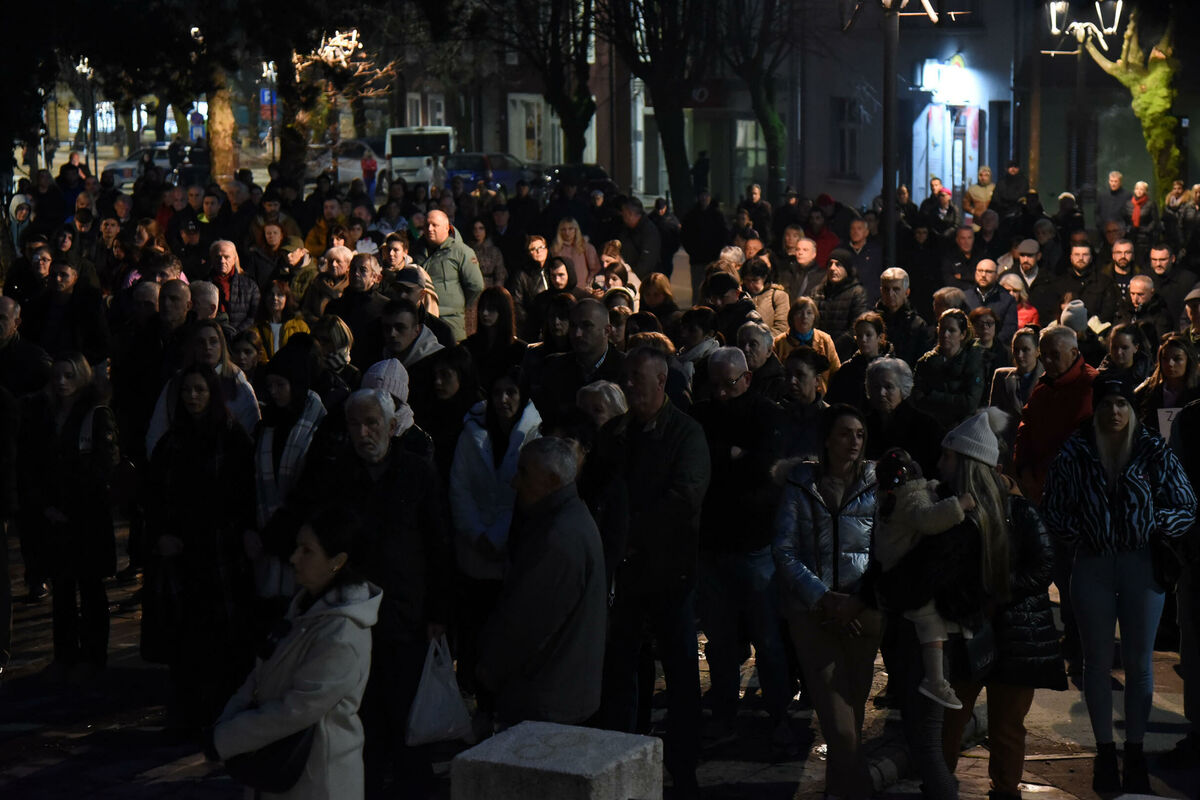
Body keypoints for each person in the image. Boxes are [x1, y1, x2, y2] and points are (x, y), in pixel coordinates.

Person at [1042, 373, 1197, 794]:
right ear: (1098, 407)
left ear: (1131, 409)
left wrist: (1154, 525)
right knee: (1095, 662)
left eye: (1122, 404)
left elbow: (1185, 502)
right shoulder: (1077, 450)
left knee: (1139, 663)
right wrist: (1080, 532)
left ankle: (1134, 751)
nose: (1115, 411)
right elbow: (1052, 507)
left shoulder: (1150, 448)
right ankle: (1105, 751)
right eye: (1108, 403)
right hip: (1092, 563)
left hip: (1140, 563)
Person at [294, 388, 450, 796]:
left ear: (390, 425)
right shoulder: (337, 475)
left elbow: (438, 543)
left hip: (405, 614)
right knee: (362, 717)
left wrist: (438, 612)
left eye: (372, 423)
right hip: (353, 615)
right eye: (355, 424)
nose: (364, 432)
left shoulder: (417, 472)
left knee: (406, 718)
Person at [599, 346, 710, 797]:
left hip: (669, 575)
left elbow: (684, 500)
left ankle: (683, 770)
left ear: (661, 381)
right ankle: (625, 759)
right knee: (623, 673)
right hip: (626, 578)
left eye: (635, 378)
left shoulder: (686, 434)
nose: (627, 386)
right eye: (625, 377)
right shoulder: (617, 433)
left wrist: (630, 531)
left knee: (680, 675)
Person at [211, 509, 381, 799]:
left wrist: (226, 737)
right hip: (281, 772)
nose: (293, 559)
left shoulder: (342, 632)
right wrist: (225, 724)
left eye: (307, 551)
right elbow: (260, 675)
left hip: (317, 781)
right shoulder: (304, 609)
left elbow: (297, 709)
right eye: (296, 547)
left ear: (337, 562)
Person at [773, 404, 882, 800]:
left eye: (859, 435)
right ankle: (863, 791)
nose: (853, 442)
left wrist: (857, 601)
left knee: (852, 715)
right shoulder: (802, 481)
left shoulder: (876, 481)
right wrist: (822, 598)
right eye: (844, 434)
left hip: (864, 614)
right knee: (839, 727)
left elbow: (886, 550)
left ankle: (838, 792)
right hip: (812, 614)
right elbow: (784, 549)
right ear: (826, 439)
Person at [143, 363, 256, 737]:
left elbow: (242, 496)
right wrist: (160, 535)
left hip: (220, 552)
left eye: (199, 390)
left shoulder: (230, 437)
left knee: (223, 639)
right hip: (182, 556)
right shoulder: (172, 442)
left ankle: (223, 714)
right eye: (188, 390)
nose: (192, 397)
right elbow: (154, 498)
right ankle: (188, 714)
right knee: (186, 640)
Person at [689, 347, 792, 741]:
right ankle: (724, 709)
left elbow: (765, 467)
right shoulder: (702, 414)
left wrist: (735, 461)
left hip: (752, 543)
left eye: (728, 385)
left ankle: (778, 711)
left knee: (767, 635)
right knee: (720, 638)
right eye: (714, 385)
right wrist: (731, 455)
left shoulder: (766, 413)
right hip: (713, 543)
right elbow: (702, 460)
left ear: (746, 378)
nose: (720, 393)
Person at [476, 437, 607, 726]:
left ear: (551, 480)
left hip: (547, 700)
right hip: (559, 693)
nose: (514, 482)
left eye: (523, 472)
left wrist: (489, 670)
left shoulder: (558, 537)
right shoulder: (567, 520)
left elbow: (526, 623)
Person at [448, 367, 541, 732]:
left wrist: (499, 537)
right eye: (499, 392)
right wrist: (476, 533)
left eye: (511, 393)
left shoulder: (533, 433)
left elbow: (524, 493)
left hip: (510, 553)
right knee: (476, 634)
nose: (504, 401)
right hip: (475, 552)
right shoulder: (472, 432)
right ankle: (483, 706)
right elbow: (460, 487)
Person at [18, 353, 118, 680]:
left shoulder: (95, 414)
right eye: (57, 376)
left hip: (86, 515)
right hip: (56, 514)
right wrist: (45, 505)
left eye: (68, 376)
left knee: (89, 587)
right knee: (63, 588)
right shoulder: (44, 415)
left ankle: (92, 655)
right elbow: (33, 463)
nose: (61, 382)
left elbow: (103, 466)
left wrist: (70, 504)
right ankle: (65, 654)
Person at [873, 447, 976, 708]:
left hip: (893, 571)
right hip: (906, 576)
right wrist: (959, 504)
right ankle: (935, 680)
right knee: (930, 624)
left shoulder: (891, 499)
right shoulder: (910, 500)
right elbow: (929, 519)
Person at [415, 210, 484, 342]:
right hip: (422, 322)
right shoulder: (417, 250)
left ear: (447, 227)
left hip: (451, 321)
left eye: (435, 225)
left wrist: (458, 305)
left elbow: (476, 285)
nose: (429, 229)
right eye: (426, 225)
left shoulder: (461, 251)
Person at [913, 309, 985, 431]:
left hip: (962, 428)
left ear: (962, 334)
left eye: (951, 330)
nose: (945, 334)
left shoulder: (972, 361)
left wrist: (933, 396)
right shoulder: (926, 362)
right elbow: (917, 398)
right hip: (930, 427)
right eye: (942, 329)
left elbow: (970, 403)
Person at [1133, 333, 1200, 432]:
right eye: (1165, 358)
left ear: (1188, 360)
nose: (1170, 364)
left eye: (1177, 359)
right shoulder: (1149, 389)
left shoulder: (1197, 391)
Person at [813, 249, 868, 360]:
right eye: (830, 264)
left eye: (838, 265)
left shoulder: (857, 292)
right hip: (818, 352)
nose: (832, 268)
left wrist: (832, 347)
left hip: (845, 355)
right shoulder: (818, 291)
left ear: (847, 269)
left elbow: (856, 326)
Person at [877, 267, 932, 368]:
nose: (890, 294)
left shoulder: (917, 325)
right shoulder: (872, 321)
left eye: (896, 289)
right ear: (881, 291)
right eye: (886, 289)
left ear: (907, 292)